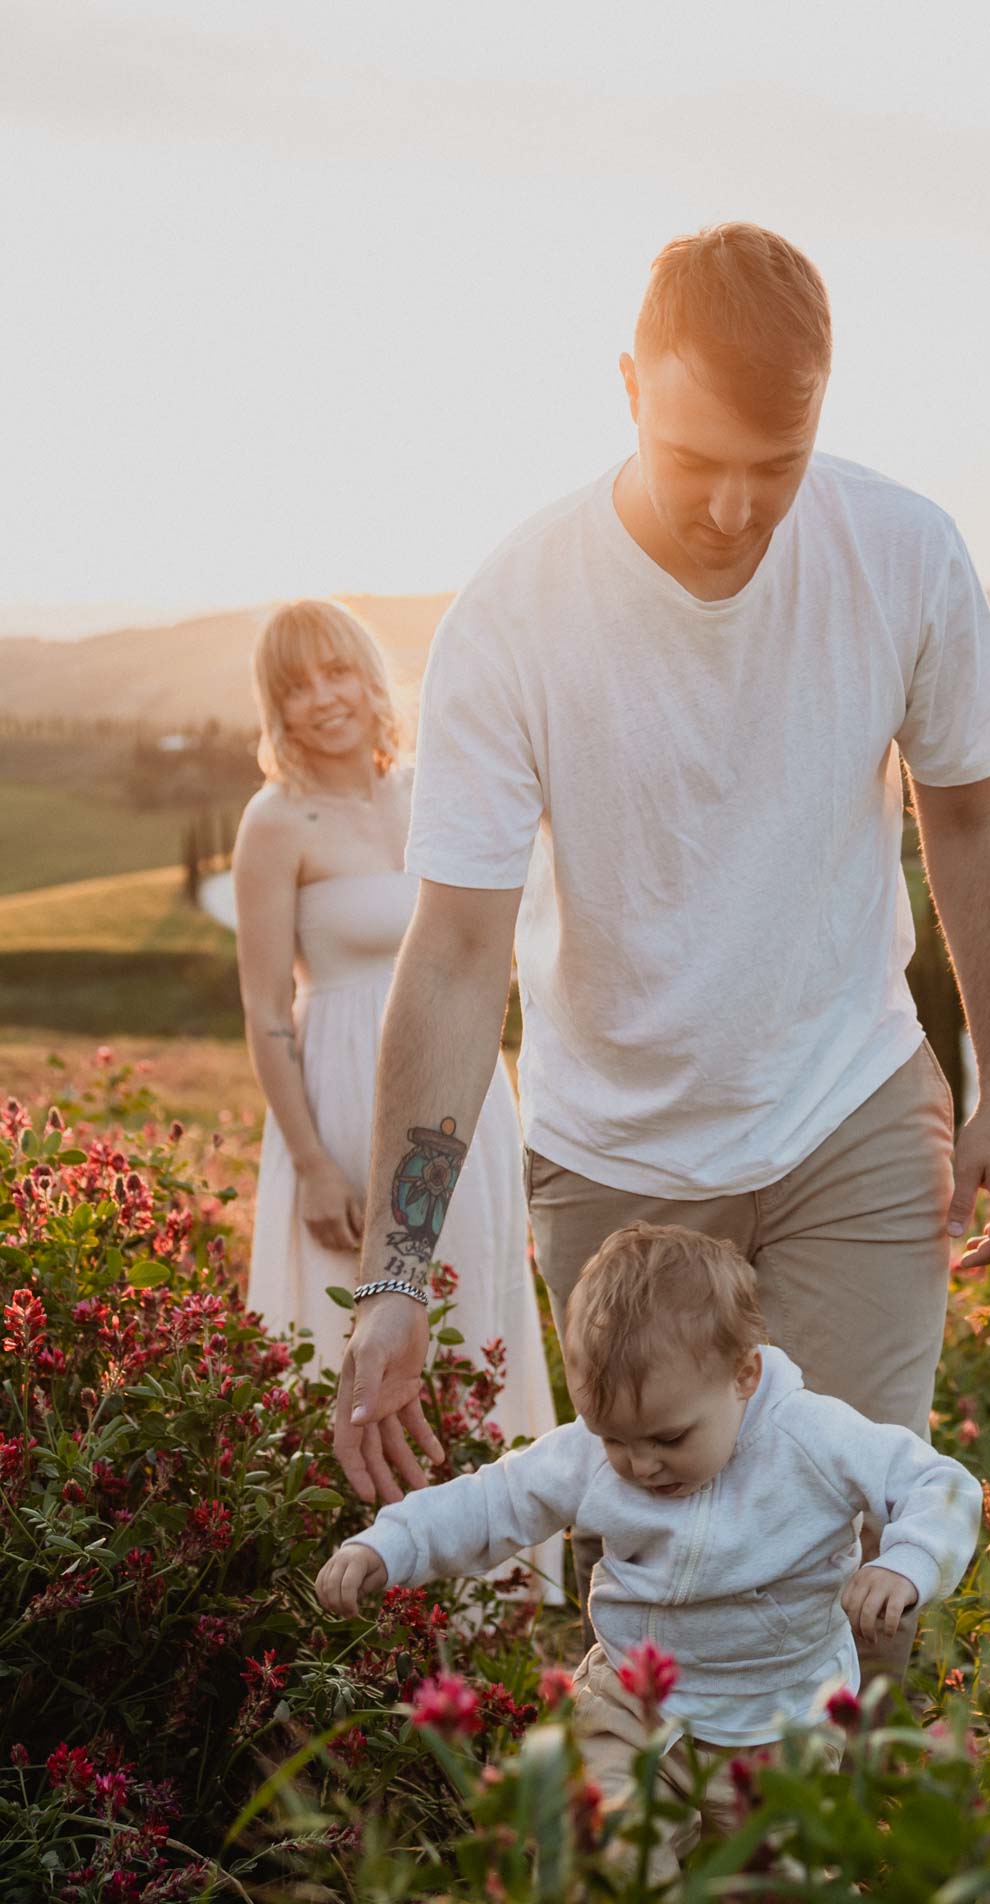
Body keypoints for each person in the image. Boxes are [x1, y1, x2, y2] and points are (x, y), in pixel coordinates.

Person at [333, 222, 990, 1685]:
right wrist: (399, 1273)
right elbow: (459, 952)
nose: (732, 506)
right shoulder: (514, 612)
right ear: (626, 388)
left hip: (850, 1110)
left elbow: (970, 821)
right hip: (621, 1166)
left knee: (855, 1566)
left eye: (775, 467)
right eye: (696, 455)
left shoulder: (903, 551)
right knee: (669, 1579)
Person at [317, 1224, 983, 1881]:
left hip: (780, 1712)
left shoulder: (811, 1434)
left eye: (668, 1438)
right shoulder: (594, 1452)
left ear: (744, 1375)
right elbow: (496, 1500)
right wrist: (390, 1545)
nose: (641, 1464)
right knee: (601, 1850)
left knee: (776, 1878)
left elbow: (937, 1484)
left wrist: (906, 1562)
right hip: (632, 1699)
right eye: (615, 1439)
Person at [234, 598, 562, 1594]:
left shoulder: (431, 788)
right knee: (352, 1328)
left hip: (462, 1092)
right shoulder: (274, 821)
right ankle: (367, 1581)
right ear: (275, 708)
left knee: (477, 1312)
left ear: (370, 676)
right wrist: (311, 1162)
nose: (321, 699)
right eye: (296, 686)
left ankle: (490, 1591)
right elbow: (264, 1013)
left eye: (335, 673)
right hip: (336, 1104)